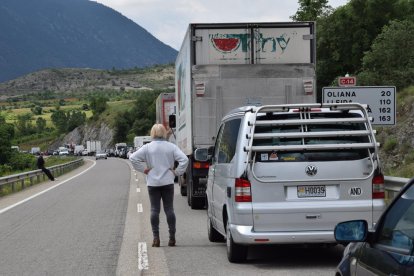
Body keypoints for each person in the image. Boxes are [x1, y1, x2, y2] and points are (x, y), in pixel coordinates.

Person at [129, 124, 188, 247]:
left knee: (154, 210)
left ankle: (156, 238)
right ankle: (172, 238)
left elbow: (133, 158)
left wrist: (144, 169)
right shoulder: (171, 147)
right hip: (168, 181)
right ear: (164, 133)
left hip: (153, 182)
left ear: (152, 133)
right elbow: (184, 160)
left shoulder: (147, 147)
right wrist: (177, 172)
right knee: (169, 210)